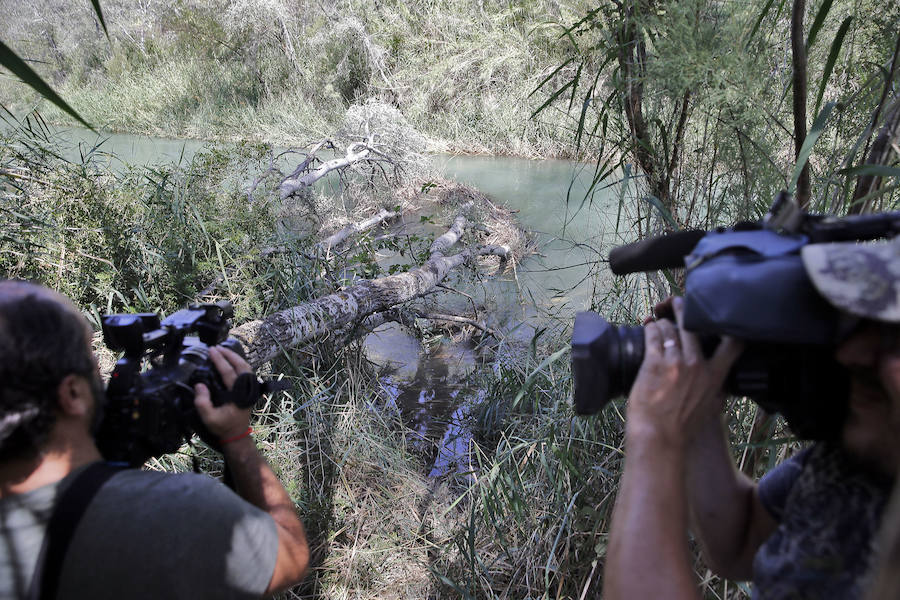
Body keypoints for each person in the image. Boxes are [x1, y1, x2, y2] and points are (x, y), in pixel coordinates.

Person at [602, 236, 900, 599]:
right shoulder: (867, 457)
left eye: (896, 341)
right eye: (871, 326)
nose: (853, 354)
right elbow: (739, 543)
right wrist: (701, 405)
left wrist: (654, 435)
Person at [0, 280, 310, 599]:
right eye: (89, 354)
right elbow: (291, 556)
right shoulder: (176, 511)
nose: (99, 366)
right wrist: (238, 440)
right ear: (72, 394)